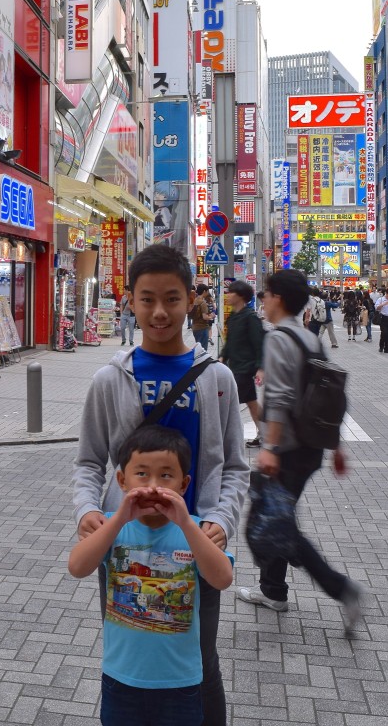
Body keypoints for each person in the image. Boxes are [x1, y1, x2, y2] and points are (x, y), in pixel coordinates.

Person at [73, 244, 249, 726]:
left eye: (171, 298)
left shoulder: (217, 379)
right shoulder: (110, 379)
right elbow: (89, 460)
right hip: (125, 543)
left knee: (200, 660)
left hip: (193, 545)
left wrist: (219, 520)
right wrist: (89, 509)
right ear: (129, 300)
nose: (159, 312)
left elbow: (234, 465)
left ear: (191, 298)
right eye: (146, 298)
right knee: (126, 657)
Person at [68, 424, 234, 726]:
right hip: (121, 679)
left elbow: (222, 578)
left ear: (184, 485)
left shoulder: (196, 530)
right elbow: (77, 567)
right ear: (122, 480)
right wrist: (119, 517)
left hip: (181, 683)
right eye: (141, 474)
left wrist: (185, 523)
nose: (154, 485)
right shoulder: (112, 527)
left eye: (166, 475)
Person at [237, 269, 362, 634]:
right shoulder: (310, 339)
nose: (263, 300)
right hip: (311, 448)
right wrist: (335, 444)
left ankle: (343, 589)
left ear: (277, 297)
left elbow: (278, 398)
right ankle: (273, 590)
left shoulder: (278, 339)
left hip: (287, 449)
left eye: (265, 294)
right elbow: (329, 396)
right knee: (276, 516)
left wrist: (270, 447)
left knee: (277, 524)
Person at [219, 280, 265, 448]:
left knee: (227, 401)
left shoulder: (250, 317)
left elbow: (259, 343)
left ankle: (224, 437)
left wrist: (261, 367)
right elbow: (230, 341)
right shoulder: (234, 317)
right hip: (234, 366)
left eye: (231, 293)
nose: (228, 295)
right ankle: (264, 434)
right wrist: (222, 357)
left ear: (241, 297)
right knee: (251, 402)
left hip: (245, 368)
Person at [191, 284, 214, 350]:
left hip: (195, 327)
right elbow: (205, 317)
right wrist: (211, 316)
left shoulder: (194, 301)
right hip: (202, 328)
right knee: (203, 350)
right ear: (204, 291)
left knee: (198, 348)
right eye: (207, 291)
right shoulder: (203, 303)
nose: (207, 293)